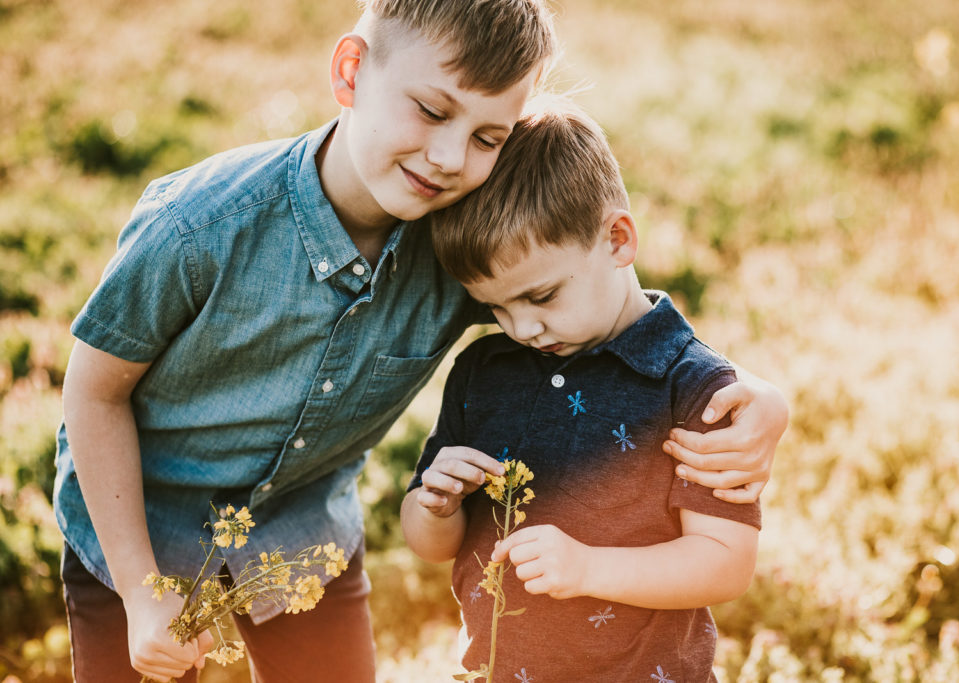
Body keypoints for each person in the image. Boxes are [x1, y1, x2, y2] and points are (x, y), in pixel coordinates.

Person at [55, 1, 782, 681]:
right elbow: (94, 390)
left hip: (306, 535)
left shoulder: (462, 247)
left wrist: (760, 397)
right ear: (350, 72)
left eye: (486, 136)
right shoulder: (200, 224)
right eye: (432, 110)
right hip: (137, 530)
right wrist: (141, 589)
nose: (448, 157)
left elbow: (593, 297)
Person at [401, 97, 764, 681]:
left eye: (541, 297)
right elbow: (433, 545)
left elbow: (726, 563)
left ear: (618, 240)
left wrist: (588, 568)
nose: (523, 328)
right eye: (495, 307)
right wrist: (431, 506)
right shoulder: (483, 370)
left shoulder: (695, 388)